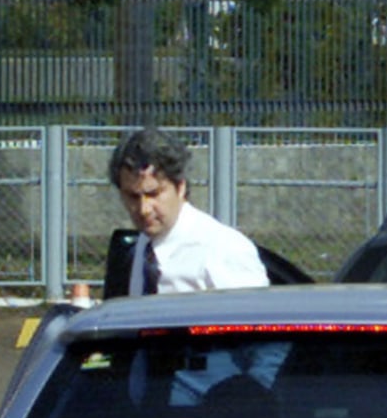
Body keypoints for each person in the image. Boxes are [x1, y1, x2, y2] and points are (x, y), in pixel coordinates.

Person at [100, 128, 270, 298]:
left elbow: (253, 318)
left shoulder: (223, 250)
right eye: (133, 196)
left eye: (154, 194)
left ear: (180, 187)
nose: (144, 209)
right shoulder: (143, 249)